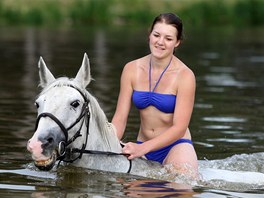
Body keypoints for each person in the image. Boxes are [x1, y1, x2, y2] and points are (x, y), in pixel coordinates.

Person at [111, 13, 198, 176]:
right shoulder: (131, 69)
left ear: (177, 42)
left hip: (176, 146)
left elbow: (180, 127)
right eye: (156, 35)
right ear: (149, 35)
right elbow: (120, 118)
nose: (160, 42)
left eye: (168, 38)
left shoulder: (185, 76)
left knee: (181, 185)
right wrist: (107, 144)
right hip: (142, 146)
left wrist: (142, 149)